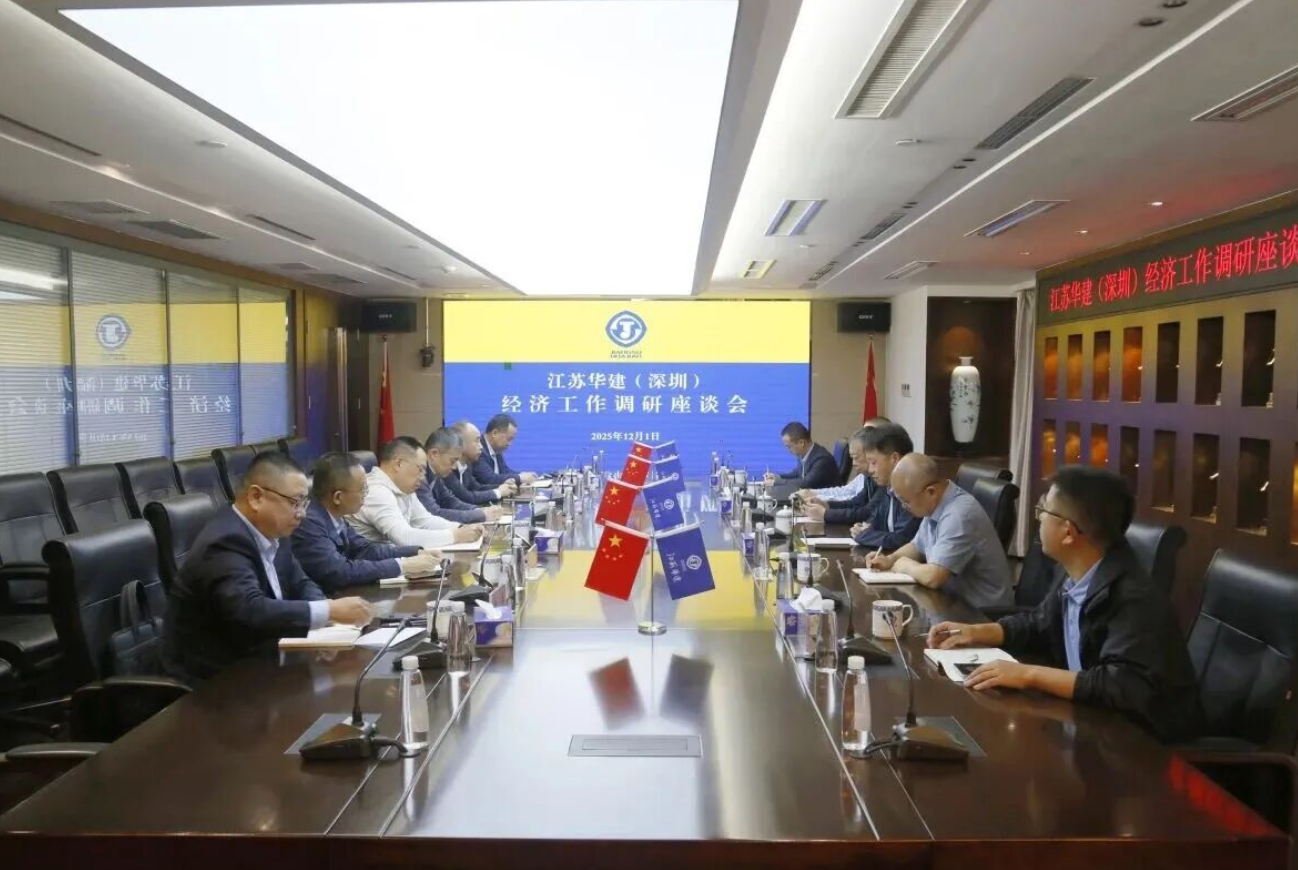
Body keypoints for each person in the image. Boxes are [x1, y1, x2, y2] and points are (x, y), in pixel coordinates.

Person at [928, 466, 1202, 743]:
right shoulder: (1075, 571)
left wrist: (1029, 674)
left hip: (1141, 744)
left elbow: (1119, 685)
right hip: (1087, 722)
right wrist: (976, 632)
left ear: (1068, 532)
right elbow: (1040, 623)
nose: (1039, 519)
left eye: (1043, 511)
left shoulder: (1133, 598)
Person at [162, 452, 374, 682]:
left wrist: (325, 621)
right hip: (213, 681)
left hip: (260, 662)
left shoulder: (274, 531)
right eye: (295, 502)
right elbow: (250, 609)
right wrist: (329, 610)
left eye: (304, 503)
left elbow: (300, 582)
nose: (302, 513)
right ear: (256, 497)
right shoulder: (225, 542)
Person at [865, 453, 1012, 609]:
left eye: (906, 501)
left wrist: (905, 565)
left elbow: (934, 577)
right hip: (952, 602)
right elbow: (917, 546)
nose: (903, 506)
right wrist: (891, 559)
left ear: (931, 492)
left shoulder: (958, 515)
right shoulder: (935, 504)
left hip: (981, 613)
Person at [291, 452, 442, 593]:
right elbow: (339, 571)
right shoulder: (309, 523)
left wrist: (416, 552)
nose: (366, 495)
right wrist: (403, 565)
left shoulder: (336, 515)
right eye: (363, 489)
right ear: (338, 497)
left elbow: (364, 550)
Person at [350, 436, 485, 550]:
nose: (422, 477)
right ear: (399, 463)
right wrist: (455, 536)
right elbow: (403, 537)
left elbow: (425, 521)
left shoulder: (403, 487)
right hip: (372, 566)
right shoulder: (375, 491)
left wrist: (462, 527)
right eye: (420, 469)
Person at [837, 424, 920, 550]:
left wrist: (863, 535)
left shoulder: (912, 491)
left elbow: (901, 540)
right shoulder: (888, 489)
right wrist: (865, 528)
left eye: (873, 462)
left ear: (894, 459)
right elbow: (875, 521)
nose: (870, 470)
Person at [416, 427, 505, 524]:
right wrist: (480, 515)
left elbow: (449, 500)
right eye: (453, 460)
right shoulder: (419, 476)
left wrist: (479, 510)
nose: (454, 467)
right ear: (434, 454)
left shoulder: (436, 473)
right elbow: (434, 513)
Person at [796, 416, 889, 503]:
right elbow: (845, 491)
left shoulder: (883, 480)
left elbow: (857, 503)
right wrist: (812, 493)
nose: (863, 437)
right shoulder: (865, 475)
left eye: (869, 433)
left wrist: (816, 498)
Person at [802, 426, 881, 525]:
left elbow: (866, 512)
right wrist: (826, 505)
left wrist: (825, 514)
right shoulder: (868, 477)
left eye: (856, 458)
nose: (853, 463)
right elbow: (855, 502)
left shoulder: (882, 481)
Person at [447, 420, 517, 506]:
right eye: (477, 441)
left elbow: (477, 488)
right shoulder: (448, 469)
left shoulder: (467, 465)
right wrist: (498, 492)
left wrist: (504, 487)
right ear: (461, 444)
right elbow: (466, 497)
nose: (481, 446)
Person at [763, 422, 838, 490]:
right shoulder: (804, 453)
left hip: (824, 499)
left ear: (801, 443)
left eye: (789, 446)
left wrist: (777, 482)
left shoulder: (822, 459)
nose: (788, 450)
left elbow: (807, 483)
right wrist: (777, 477)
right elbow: (797, 473)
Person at [473, 413, 537, 488]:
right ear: (494, 433)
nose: (510, 444)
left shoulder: (497, 449)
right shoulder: (478, 449)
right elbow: (489, 478)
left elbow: (504, 471)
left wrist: (523, 475)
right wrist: (520, 478)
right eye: (509, 439)